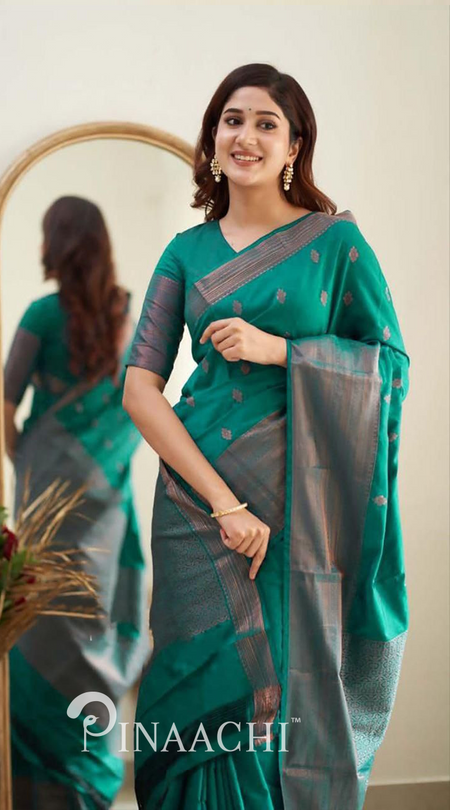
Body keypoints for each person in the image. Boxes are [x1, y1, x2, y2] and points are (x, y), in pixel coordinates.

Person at [123, 64, 411, 809]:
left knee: (276, 693)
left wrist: (281, 351)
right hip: (198, 505)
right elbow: (138, 388)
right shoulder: (185, 253)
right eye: (231, 119)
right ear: (212, 139)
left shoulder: (335, 243)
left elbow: (390, 367)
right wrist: (222, 505)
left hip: (300, 510)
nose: (244, 135)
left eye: (265, 122)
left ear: (294, 146)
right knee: (190, 691)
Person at [3, 196, 150, 809]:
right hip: (109, 509)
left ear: (55, 245)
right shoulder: (131, 316)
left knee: (39, 631)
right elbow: (147, 403)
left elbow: (0, 406)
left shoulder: (41, 316)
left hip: (46, 510)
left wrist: (34, 465)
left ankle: (37, 788)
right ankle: (88, 779)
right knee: (98, 629)